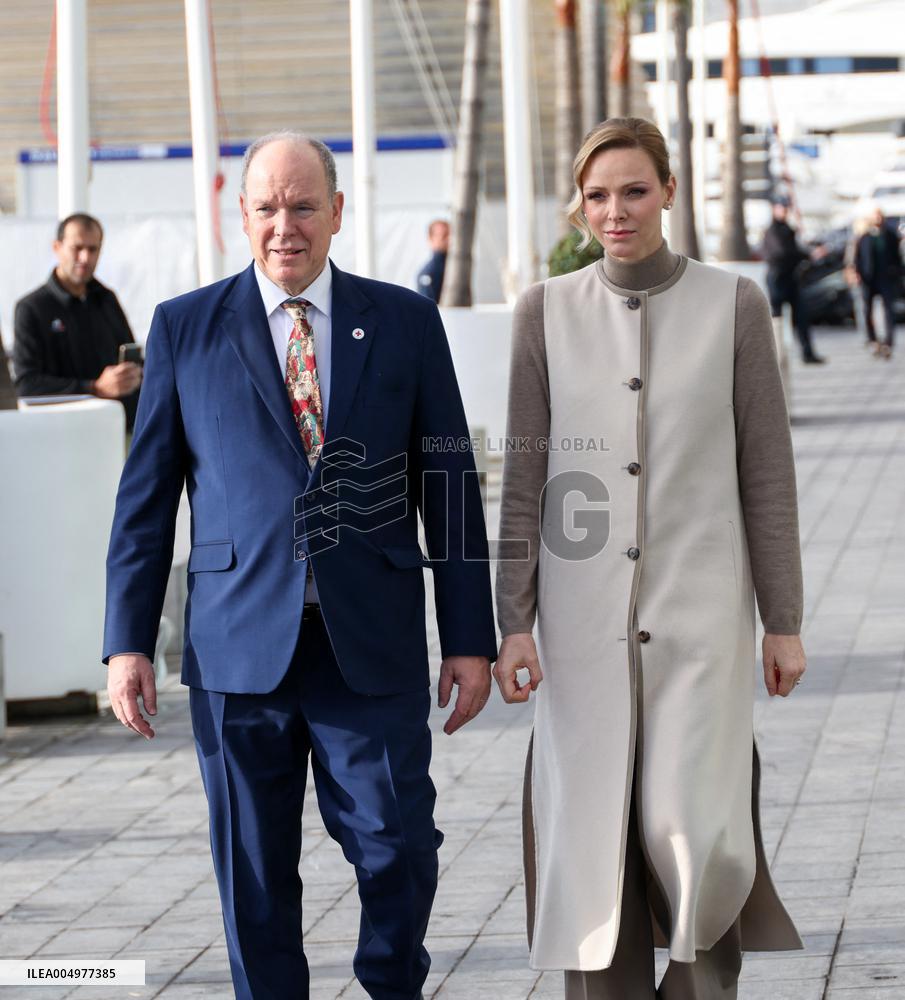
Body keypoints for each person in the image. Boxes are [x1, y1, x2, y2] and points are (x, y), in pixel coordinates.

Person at [103, 132, 497, 999]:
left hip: (369, 645)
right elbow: (146, 499)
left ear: (337, 213)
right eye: (267, 208)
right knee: (252, 875)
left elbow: (449, 482)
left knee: (399, 848)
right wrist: (125, 642)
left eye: (304, 205)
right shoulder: (182, 327)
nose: (287, 225)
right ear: (239, 217)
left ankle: (390, 984)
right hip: (237, 650)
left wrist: (471, 637)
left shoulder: (403, 320)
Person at [493, 117, 807, 999]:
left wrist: (781, 621)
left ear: (668, 190)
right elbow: (523, 482)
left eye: (633, 190)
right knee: (594, 840)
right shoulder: (544, 314)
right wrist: (511, 623)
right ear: (580, 206)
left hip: (701, 623)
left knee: (690, 828)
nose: (615, 211)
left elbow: (767, 476)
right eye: (597, 195)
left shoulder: (733, 304)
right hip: (582, 625)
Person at [12, 213, 142, 429]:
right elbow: (27, 385)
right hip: (65, 439)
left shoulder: (107, 299)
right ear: (57, 247)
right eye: (77, 248)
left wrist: (133, 375)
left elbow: (133, 357)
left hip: (121, 430)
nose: (85, 258)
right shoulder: (32, 308)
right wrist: (94, 388)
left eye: (93, 249)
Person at [762, 197, 826, 364]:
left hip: (791, 279)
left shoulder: (787, 229)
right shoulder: (773, 231)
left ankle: (808, 353)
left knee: (801, 317)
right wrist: (807, 254)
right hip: (777, 280)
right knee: (776, 321)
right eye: (781, 207)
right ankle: (774, 357)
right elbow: (782, 253)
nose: (784, 211)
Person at [853, 206, 903, 359]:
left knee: (889, 311)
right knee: (867, 311)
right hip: (869, 280)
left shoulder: (890, 235)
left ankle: (888, 342)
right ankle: (873, 340)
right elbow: (858, 259)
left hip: (886, 278)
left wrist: (896, 272)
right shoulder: (864, 237)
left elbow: (898, 257)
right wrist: (859, 274)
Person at [415, 219, 449, 303]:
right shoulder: (429, 273)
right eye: (444, 236)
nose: (449, 240)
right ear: (431, 238)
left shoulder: (451, 266)